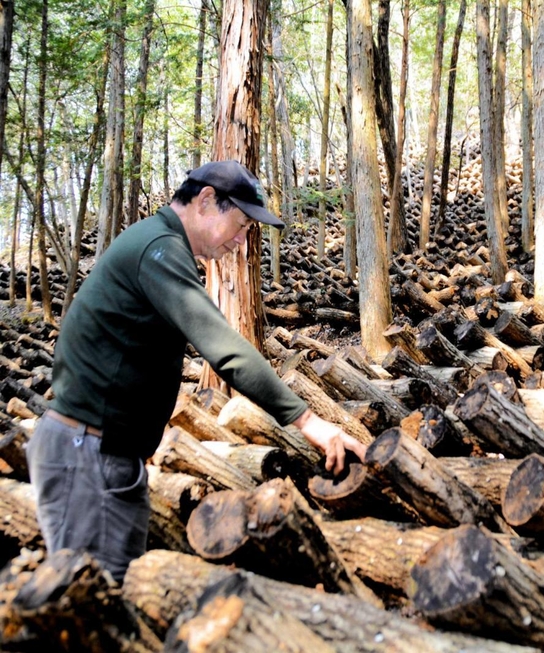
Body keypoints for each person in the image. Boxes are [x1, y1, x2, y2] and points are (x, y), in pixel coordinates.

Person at [25, 160, 366, 581]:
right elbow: (224, 349)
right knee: (93, 604)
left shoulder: (158, 244)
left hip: (104, 452)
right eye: (240, 224)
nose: (242, 243)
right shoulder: (159, 249)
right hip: (88, 455)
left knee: (116, 594)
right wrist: (308, 421)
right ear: (206, 201)